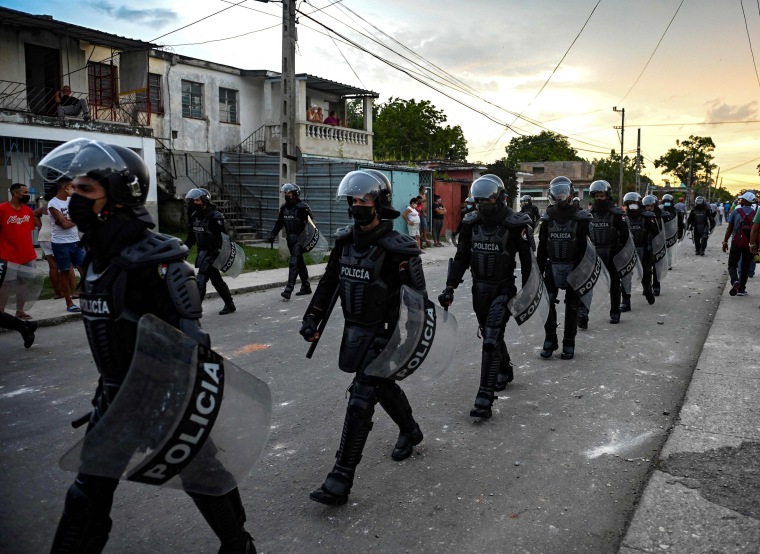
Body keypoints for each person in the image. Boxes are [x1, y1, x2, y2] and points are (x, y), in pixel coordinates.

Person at [40, 139, 256, 553]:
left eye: (86, 191)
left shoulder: (159, 261)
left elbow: (192, 345)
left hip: (165, 401)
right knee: (86, 498)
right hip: (114, 400)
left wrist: (174, 403)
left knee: (204, 475)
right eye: (74, 190)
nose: (74, 200)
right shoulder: (98, 258)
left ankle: (239, 546)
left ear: (118, 198)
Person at [300, 169, 427, 506]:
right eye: (354, 200)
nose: (358, 205)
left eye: (365, 200)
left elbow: (419, 302)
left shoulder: (398, 249)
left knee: (361, 397)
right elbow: (329, 284)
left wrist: (414, 346)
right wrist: (312, 317)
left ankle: (340, 478)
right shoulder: (344, 243)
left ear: (380, 204)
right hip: (353, 331)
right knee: (381, 387)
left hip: (385, 336)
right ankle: (411, 430)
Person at [438, 174, 533, 418]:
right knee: (490, 334)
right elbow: (461, 258)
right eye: (479, 202)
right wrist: (450, 287)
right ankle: (504, 369)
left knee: (491, 337)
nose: (484, 206)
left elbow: (527, 262)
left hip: (503, 288)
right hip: (478, 290)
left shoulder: (515, 224)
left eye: (488, 201)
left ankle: (484, 397)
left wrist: (527, 291)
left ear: (500, 199)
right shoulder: (471, 224)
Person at [536, 176, 591, 360]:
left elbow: (586, 248)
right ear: (553, 195)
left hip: (574, 267)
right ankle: (550, 339)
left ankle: (569, 342)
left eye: (563, 193)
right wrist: (537, 269)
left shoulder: (581, 219)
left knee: (572, 307)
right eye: (558, 194)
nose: (561, 197)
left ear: (570, 194)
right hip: (552, 267)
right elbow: (543, 245)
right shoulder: (548, 219)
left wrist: (583, 272)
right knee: (547, 302)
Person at [578, 180, 629, 327]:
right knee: (587, 285)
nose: (599, 198)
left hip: (612, 253)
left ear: (607, 195)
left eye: (602, 195)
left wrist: (620, 252)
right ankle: (583, 314)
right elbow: (583, 236)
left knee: (614, 283)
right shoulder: (587, 215)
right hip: (594, 254)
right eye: (597, 196)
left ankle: (615, 312)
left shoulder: (617, 214)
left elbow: (625, 236)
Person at [185, 188, 236, 314]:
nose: (194, 203)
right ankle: (230, 304)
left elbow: (224, 237)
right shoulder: (194, 216)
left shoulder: (215, 216)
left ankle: (194, 310)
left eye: (197, 200)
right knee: (216, 280)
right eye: (193, 200)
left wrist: (223, 254)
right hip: (202, 252)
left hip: (213, 252)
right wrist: (185, 250)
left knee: (201, 279)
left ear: (204, 200)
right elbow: (192, 235)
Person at [0, 183, 38, 347]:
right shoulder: (2, 209)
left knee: (23, 282)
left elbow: (30, 228)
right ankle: (1, 313)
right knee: (6, 285)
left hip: (26, 252)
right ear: (15, 194)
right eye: (25, 192)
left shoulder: (28, 211)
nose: (27, 194)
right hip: (7, 254)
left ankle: (20, 311)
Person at [267, 183, 314, 299]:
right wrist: (273, 234)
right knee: (299, 263)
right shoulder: (284, 209)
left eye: (288, 192)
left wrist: (308, 239)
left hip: (300, 238)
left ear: (294, 193)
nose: (286, 195)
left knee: (293, 262)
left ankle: (289, 289)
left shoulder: (302, 207)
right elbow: (279, 223)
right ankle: (306, 286)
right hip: (290, 239)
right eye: (285, 193)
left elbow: (311, 225)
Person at [48, 178, 86, 313]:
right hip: (61, 243)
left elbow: (82, 216)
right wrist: (75, 219)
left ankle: (88, 297)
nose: (74, 189)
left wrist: (72, 220)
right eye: (72, 187)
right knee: (64, 272)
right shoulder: (53, 204)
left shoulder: (71, 201)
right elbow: (63, 224)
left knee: (85, 269)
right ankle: (69, 303)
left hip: (76, 241)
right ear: (65, 187)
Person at [623, 192, 659, 309]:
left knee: (646, 274)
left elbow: (656, 234)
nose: (632, 206)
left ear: (639, 204)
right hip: (628, 250)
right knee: (626, 276)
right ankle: (626, 301)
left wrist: (652, 246)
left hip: (644, 250)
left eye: (634, 203)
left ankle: (648, 291)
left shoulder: (647, 217)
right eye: (629, 204)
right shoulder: (623, 218)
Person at [723, 191, 757, 297]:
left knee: (732, 264)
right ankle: (741, 289)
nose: (740, 200)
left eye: (742, 199)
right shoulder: (755, 213)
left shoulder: (736, 212)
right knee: (745, 266)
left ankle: (735, 281)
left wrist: (725, 241)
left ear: (745, 201)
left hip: (736, 241)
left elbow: (730, 228)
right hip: (749, 244)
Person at [33, 194, 64, 300]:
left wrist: (40, 226)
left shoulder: (45, 207)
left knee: (53, 267)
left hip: (43, 237)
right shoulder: (58, 205)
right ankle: (72, 291)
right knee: (65, 266)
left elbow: (33, 214)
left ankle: (57, 293)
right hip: (55, 238)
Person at [643, 194, 672, 296]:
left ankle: (656, 286)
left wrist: (667, 218)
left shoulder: (660, 215)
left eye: (651, 206)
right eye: (647, 206)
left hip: (657, 243)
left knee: (656, 267)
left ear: (655, 205)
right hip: (645, 244)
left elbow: (668, 228)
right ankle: (646, 287)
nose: (649, 208)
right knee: (646, 269)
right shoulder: (642, 216)